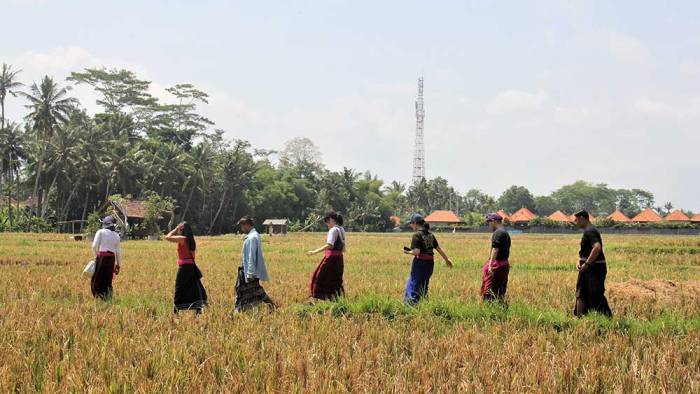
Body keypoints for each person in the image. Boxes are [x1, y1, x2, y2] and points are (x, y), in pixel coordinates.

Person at [403, 213, 453, 304]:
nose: (410, 226)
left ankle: (412, 304)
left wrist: (408, 252)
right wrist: (447, 259)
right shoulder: (430, 235)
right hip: (430, 263)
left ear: (415, 223)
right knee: (424, 284)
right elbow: (438, 248)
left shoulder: (417, 235)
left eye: (411, 223)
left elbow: (416, 252)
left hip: (420, 263)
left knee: (413, 283)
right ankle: (424, 303)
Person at [573, 210, 612, 317]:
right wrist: (580, 261)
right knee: (583, 293)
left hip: (593, 268)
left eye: (576, 220)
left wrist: (587, 263)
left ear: (582, 218)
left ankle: (604, 317)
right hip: (591, 267)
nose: (575, 222)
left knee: (592, 294)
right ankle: (580, 317)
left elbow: (597, 247)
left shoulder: (589, 231)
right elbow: (586, 251)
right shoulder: (590, 230)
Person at [164, 222, 208, 314]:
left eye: (180, 229)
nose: (178, 231)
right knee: (194, 288)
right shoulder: (191, 240)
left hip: (184, 268)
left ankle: (176, 311)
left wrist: (175, 229)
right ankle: (198, 309)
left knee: (179, 289)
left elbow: (167, 237)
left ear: (182, 230)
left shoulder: (182, 239)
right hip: (191, 267)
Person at [234, 216, 276, 312]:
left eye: (242, 226)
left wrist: (250, 273)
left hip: (248, 271)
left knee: (242, 291)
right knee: (255, 290)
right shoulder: (253, 236)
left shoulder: (252, 238)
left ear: (247, 225)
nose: (241, 229)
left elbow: (251, 256)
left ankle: (237, 312)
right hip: (249, 270)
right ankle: (272, 306)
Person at [306, 212, 346, 300]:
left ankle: (316, 298)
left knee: (319, 277)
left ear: (331, 220)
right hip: (339, 259)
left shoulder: (333, 230)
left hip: (331, 259)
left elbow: (330, 245)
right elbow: (343, 248)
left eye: (327, 222)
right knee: (336, 279)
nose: (327, 225)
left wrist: (314, 252)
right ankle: (336, 298)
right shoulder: (341, 229)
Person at [481, 213, 511, 303]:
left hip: (497, 265)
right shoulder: (505, 232)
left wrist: (490, 265)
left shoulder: (498, 233)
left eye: (489, 222)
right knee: (500, 291)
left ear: (493, 221)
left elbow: (495, 249)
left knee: (488, 292)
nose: (489, 225)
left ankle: (489, 311)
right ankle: (501, 309)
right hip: (504, 264)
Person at [91, 215, 122, 300]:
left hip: (101, 257)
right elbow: (118, 252)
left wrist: (95, 256)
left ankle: (97, 297)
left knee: (97, 278)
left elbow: (94, 246)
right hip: (111, 259)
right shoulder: (116, 235)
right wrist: (119, 265)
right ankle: (107, 297)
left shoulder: (100, 232)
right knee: (108, 279)